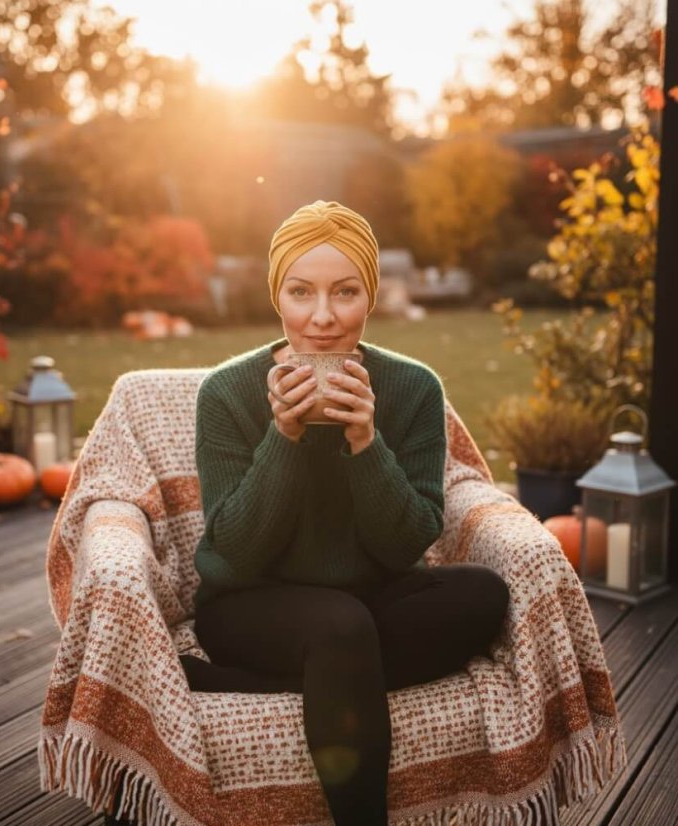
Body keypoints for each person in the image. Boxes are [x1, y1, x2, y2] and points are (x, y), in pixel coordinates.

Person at [118, 201, 510, 826]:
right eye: (301, 292)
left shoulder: (414, 388)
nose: (323, 316)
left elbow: (406, 545)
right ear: (278, 296)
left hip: (371, 595)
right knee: (339, 626)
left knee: (483, 593)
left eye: (345, 292)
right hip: (251, 603)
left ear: (370, 297)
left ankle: (295, 682)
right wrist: (285, 437)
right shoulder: (227, 392)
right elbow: (235, 552)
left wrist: (365, 443)